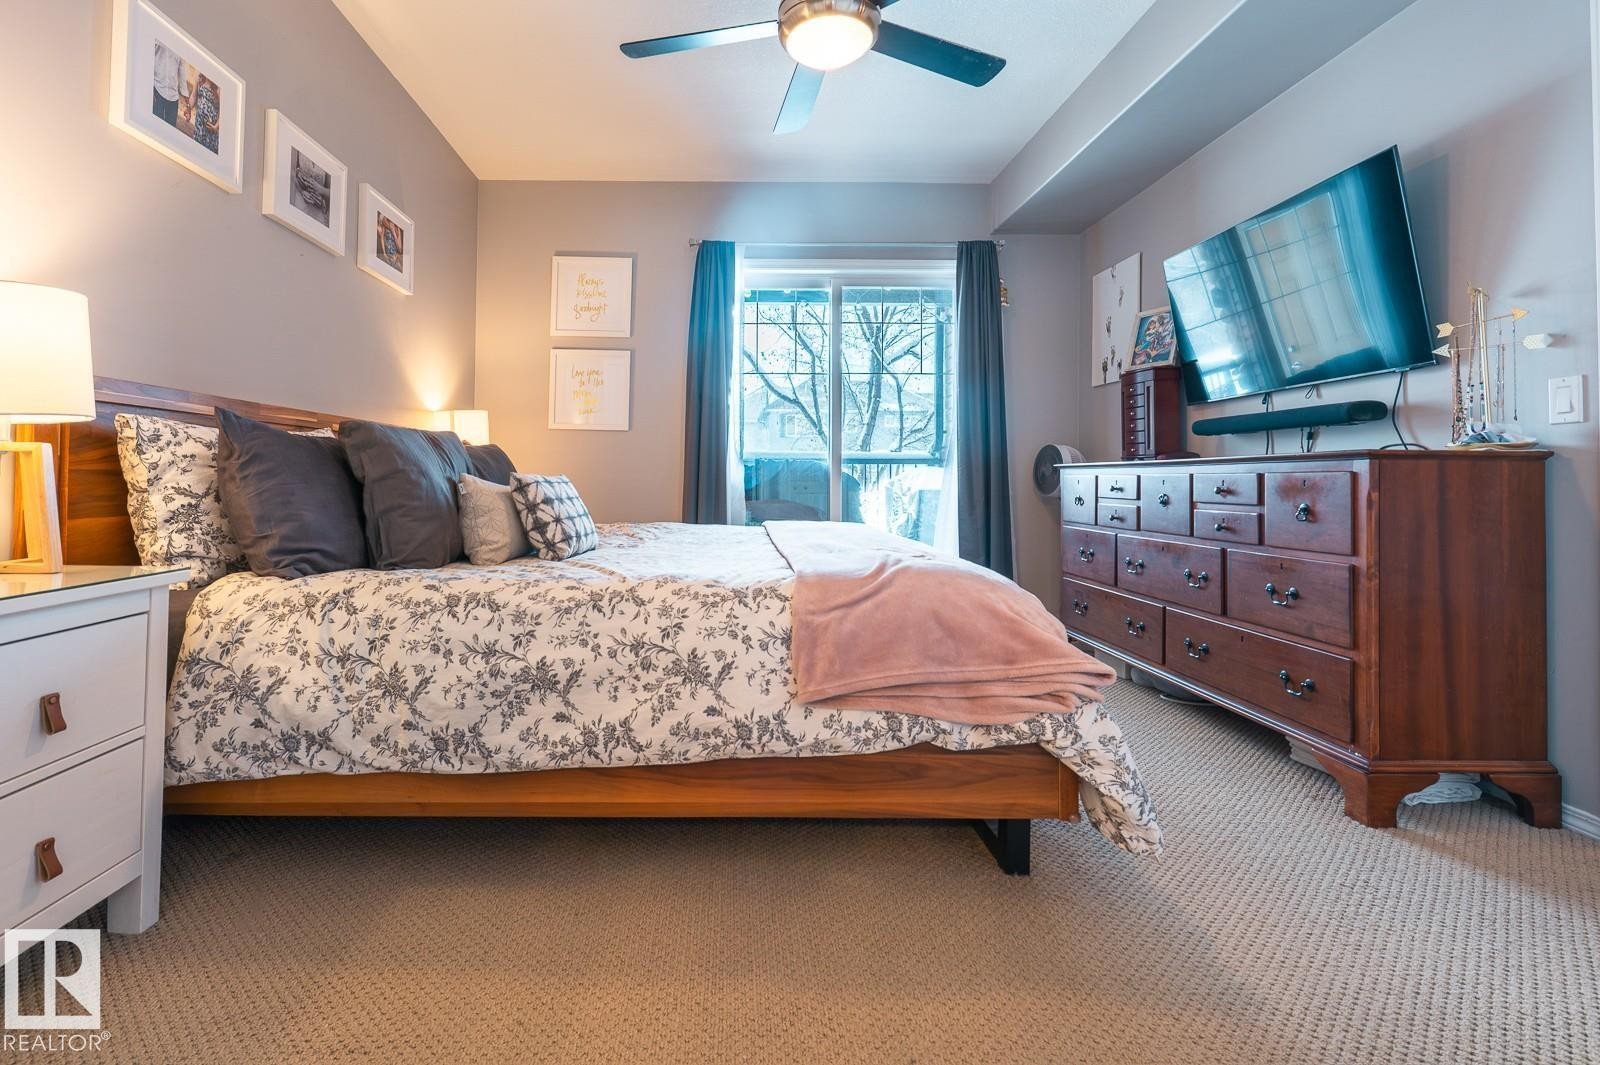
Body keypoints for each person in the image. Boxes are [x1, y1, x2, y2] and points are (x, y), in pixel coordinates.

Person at [152, 41, 181, 128]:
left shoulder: (180, 45)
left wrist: (186, 101)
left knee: (171, 128)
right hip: (157, 87)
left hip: (174, 95)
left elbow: (182, 69)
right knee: (156, 126)